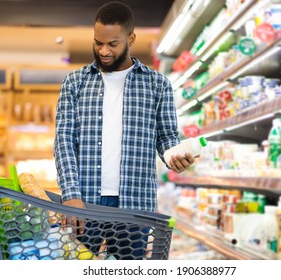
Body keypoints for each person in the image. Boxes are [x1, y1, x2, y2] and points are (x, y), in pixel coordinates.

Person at [54, 1, 194, 259]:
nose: (103, 50)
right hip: (85, 203)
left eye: (112, 44)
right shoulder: (75, 83)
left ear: (130, 39)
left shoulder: (157, 84)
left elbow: (167, 137)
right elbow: (64, 142)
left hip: (136, 203)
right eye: (98, 42)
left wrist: (175, 156)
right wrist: (70, 196)